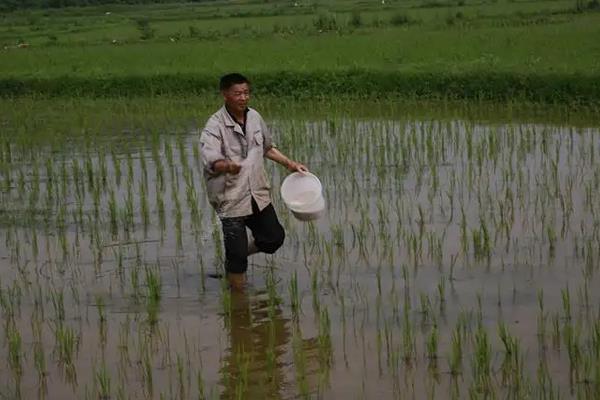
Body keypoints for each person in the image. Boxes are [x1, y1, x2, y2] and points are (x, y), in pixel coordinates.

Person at [200, 73, 308, 290]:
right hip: (229, 198)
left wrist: (290, 164)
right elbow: (209, 158)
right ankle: (238, 303)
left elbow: (267, 147)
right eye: (237, 93)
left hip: (257, 194)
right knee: (238, 260)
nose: (243, 98)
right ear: (225, 94)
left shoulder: (255, 118)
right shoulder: (214, 126)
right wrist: (226, 165)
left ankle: (236, 254)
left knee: (273, 238)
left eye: (246, 93)